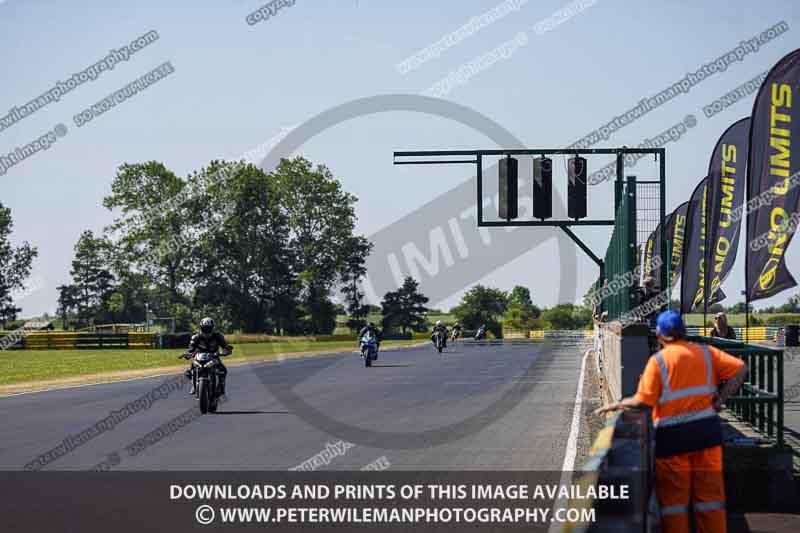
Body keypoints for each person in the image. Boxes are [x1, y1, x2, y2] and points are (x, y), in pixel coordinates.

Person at [594, 310, 748, 533]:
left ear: (659, 336)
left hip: (672, 438)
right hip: (707, 434)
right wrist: (721, 399)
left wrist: (615, 405)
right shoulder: (706, 353)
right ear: (684, 332)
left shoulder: (659, 362)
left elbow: (642, 402)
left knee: (674, 504)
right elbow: (741, 368)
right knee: (711, 499)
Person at [184, 317, 233, 396]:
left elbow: (225, 346)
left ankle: (221, 387)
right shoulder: (196, 337)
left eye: (208, 329)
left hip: (214, 357)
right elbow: (191, 348)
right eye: (204, 328)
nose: (206, 331)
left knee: (223, 370)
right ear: (201, 328)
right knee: (188, 372)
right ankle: (193, 385)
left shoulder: (218, 336)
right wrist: (188, 354)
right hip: (199, 357)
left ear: (213, 328)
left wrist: (226, 351)